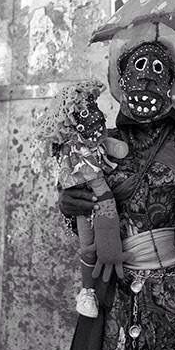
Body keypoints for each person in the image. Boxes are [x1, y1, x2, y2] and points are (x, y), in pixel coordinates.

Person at [60, 23, 175, 350]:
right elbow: (82, 226)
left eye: (158, 71)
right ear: (120, 81)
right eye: (136, 71)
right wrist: (68, 207)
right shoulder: (98, 144)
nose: (145, 81)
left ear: (171, 84)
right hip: (118, 301)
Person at [35, 81, 130, 319]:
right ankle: (87, 292)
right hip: (114, 294)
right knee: (88, 247)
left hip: (167, 281)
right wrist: (67, 204)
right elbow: (70, 194)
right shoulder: (80, 146)